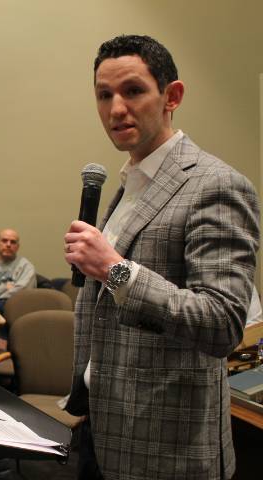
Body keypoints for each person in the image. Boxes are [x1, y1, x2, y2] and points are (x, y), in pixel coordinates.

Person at [63, 35, 259, 480]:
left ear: (172, 96)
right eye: (104, 95)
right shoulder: (130, 184)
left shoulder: (216, 185)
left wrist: (113, 268)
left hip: (167, 449)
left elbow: (224, 322)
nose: (115, 109)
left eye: (133, 91)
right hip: (103, 429)